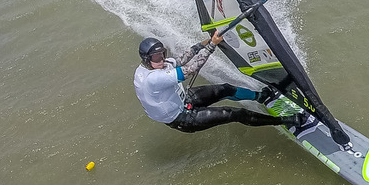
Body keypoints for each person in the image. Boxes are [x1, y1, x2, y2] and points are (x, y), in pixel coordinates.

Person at [133, 32, 317, 135]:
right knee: (233, 113)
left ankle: (261, 96)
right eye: (157, 57)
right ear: (146, 59)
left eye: (163, 54)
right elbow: (190, 69)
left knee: (225, 89)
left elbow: (182, 59)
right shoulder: (153, 78)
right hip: (181, 118)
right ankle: (288, 120)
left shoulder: (155, 65)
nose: (162, 59)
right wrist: (212, 46)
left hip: (182, 100)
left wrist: (207, 40)